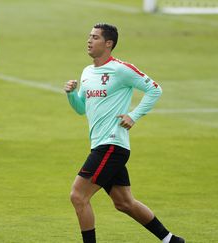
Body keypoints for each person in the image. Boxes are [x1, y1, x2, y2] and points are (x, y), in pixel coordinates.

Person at [64, 23, 185, 243]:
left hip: (111, 145)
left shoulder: (121, 69)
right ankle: (171, 240)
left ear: (108, 43)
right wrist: (71, 94)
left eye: (95, 37)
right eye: (89, 37)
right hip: (101, 145)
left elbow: (154, 89)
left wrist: (134, 115)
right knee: (124, 203)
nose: (89, 41)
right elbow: (82, 108)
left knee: (78, 195)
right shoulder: (87, 72)